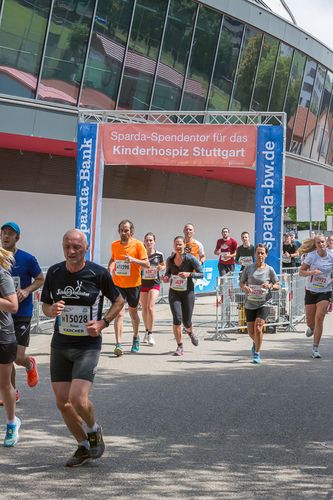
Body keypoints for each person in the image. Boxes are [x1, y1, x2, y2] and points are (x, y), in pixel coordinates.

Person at [41, 229, 124, 467]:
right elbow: (46, 305)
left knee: (77, 399)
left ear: (85, 248)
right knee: (62, 402)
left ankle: (94, 429)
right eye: (67, 246)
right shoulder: (55, 272)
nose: (71, 251)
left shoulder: (98, 273)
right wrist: (51, 310)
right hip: (60, 344)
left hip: (87, 345)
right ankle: (83, 445)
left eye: (76, 247)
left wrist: (103, 322)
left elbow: (119, 301)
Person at [0, 222, 43, 403]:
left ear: (17, 237)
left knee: (17, 357)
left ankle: (29, 363)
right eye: (3, 233)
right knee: (6, 357)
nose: (6, 236)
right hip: (3, 314)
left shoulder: (27, 259)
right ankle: (12, 392)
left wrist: (26, 291)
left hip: (22, 312)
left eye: (10, 233)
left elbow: (41, 279)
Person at [108, 220, 149, 356]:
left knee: (133, 313)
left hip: (134, 285)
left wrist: (133, 260)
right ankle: (118, 344)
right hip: (118, 284)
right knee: (118, 314)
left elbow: (147, 264)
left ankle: (136, 337)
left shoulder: (138, 245)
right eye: (121, 230)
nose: (123, 233)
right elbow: (113, 259)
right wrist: (110, 267)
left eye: (126, 230)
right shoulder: (114, 245)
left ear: (131, 231)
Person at [163, 236, 203, 356]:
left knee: (187, 321)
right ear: (173, 246)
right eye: (176, 244)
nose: (178, 247)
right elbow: (167, 273)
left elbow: (201, 274)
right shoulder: (170, 260)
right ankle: (180, 346)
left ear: (184, 245)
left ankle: (190, 332)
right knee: (177, 319)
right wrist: (165, 278)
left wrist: (189, 274)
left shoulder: (191, 259)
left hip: (188, 293)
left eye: (180, 244)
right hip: (174, 292)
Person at [239, 244, 280, 364]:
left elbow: (278, 284)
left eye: (262, 253)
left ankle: (257, 353)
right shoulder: (248, 268)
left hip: (264, 302)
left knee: (258, 326)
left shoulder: (269, 269)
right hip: (250, 302)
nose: (260, 255)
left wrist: (270, 285)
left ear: (266, 255)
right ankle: (256, 342)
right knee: (251, 332)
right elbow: (241, 283)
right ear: (255, 254)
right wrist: (245, 288)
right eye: (258, 253)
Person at [299, 234, 333, 359]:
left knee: (319, 317)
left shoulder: (331, 256)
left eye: (323, 242)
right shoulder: (311, 256)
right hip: (311, 291)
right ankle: (311, 328)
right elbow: (301, 272)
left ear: (326, 242)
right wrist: (312, 272)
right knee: (311, 322)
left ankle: (315, 348)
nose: (321, 244)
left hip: (325, 291)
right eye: (318, 243)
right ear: (315, 244)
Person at [0, 246, 20, 447]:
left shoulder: (2, 275)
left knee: (4, 384)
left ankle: (12, 423)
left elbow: (13, 306)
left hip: (3, 336)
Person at [140, 233, 165, 347]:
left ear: (154, 242)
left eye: (151, 240)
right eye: (147, 240)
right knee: (144, 309)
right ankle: (146, 331)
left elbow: (163, 265)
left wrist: (161, 267)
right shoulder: (141, 254)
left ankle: (150, 333)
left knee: (150, 307)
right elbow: (136, 266)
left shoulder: (159, 254)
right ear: (144, 242)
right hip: (142, 283)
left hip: (154, 283)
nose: (149, 242)